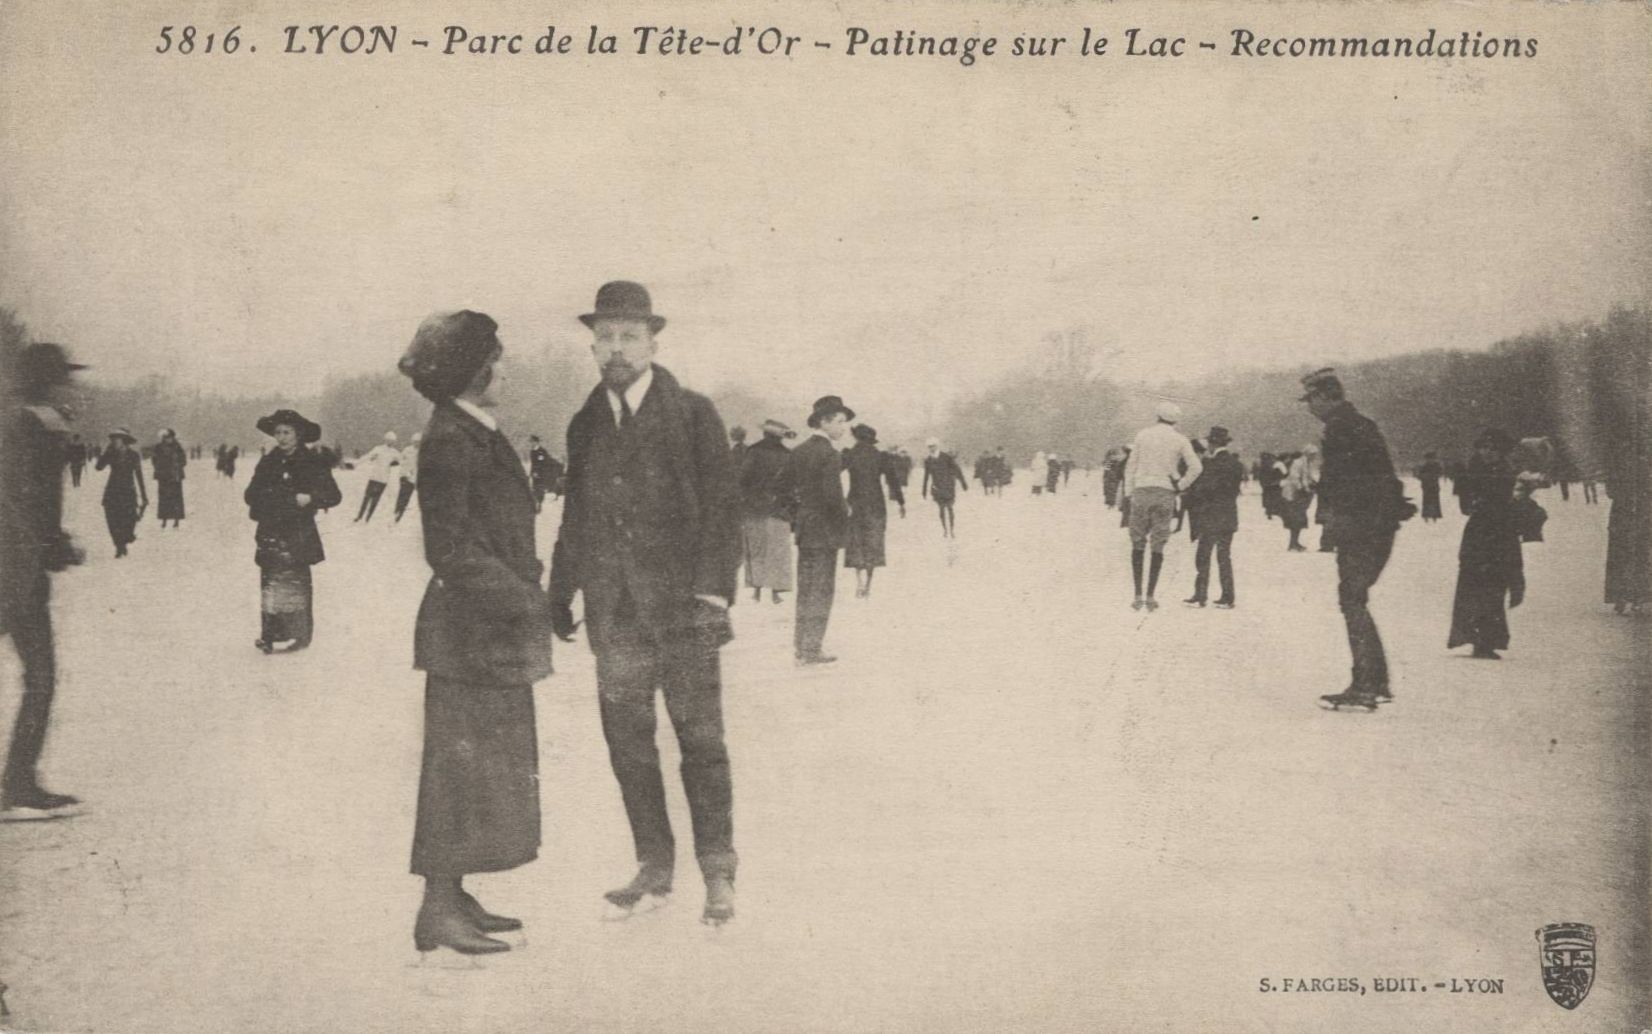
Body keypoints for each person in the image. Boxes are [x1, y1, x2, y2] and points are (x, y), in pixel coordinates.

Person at [548, 281, 741, 926]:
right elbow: (575, 514)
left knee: (701, 742)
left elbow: (722, 511)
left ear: (654, 341)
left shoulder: (692, 413)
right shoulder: (586, 422)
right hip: (615, 616)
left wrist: (713, 593)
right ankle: (654, 867)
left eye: (629, 335)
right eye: (604, 336)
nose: (615, 348)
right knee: (629, 745)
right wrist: (560, 589)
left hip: (684, 611)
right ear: (593, 345)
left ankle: (718, 871)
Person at [398, 310, 552, 956]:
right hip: (469, 636)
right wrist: (524, 600)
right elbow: (451, 550)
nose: (505, 368)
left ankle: (453, 895)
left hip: (484, 635)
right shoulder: (451, 439)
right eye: (498, 357)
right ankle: (437, 908)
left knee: (482, 769)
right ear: (474, 369)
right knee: (456, 774)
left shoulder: (471, 431)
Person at [1, 342, 88, 820]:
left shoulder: (17, 419)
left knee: (38, 675)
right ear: (50, 382)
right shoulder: (35, 423)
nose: (69, 389)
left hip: (16, 562)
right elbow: (25, 499)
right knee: (40, 676)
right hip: (15, 570)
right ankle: (17, 784)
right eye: (63, 379)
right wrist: (48, 544)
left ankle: (19, 782)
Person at [1300, 369, 1412, 711]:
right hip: (1375, 523)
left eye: (1311, 400)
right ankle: (1375, 681)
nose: (1308, 407)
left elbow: (1351, 483)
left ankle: (1366, 684)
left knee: (1352, 599)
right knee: (1354, 598)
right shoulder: (1358, 424)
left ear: (1325, 396)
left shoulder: (1342, 428)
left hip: (1363, 526)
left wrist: (1323, 494)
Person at [244, 409, 341, 653]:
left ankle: (300, 635)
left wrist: (310, 498)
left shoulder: (312, 461)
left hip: (298, 532)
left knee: (297, 582)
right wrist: (269, 497)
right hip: (271, 530)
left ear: (298, 435)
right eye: (278, 432)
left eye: (287, 432)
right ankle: (269, 635)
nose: (282, 437)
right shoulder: (268, 461)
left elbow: (333, 495)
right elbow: (250, 494)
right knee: (271, 582)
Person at [1447, 430, 1525, 659]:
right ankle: (1474, 638)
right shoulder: (1476, 471)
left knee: (1494, 586)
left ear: (1501, 452)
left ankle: (1487, 640)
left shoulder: (1508, 473)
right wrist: (1463, 485)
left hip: (1501, 533)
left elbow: (1513, 502)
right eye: (1483, 448)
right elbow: (1466, 507)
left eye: (1492, 448)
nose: (1486, 452)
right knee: (1473, 584)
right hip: (1479, 533)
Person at [791, 395, 853, 665]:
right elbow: (833, 497)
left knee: (806, 589)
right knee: (822, 590)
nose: (844, 428)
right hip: (825, 532)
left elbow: (782, 489)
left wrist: (799, 515)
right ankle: (812, 648)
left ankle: (801, 644)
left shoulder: (800, 450)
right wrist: (845, 516)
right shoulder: (829, 454)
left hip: (806, 531)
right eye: (840, 422)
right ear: (824, 422)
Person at [1122, 402, 1201, 611]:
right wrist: (1180, 485)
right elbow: (1196, 467)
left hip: (1141, 490)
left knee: (1137, 542)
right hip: (1165, 492)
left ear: (1157, 416)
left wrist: (1129, 493)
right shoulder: (1180, 439)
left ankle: (1137, 594)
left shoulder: (1142, 435)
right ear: (1176, 420)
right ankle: (1151, 595)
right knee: (1158, 544)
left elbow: (1131, 466)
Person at [1182, 426, 1242, 608]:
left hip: (1210, 515)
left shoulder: (1209, 464)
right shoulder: (1235, 464)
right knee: (1224, 557)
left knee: (1203, 556)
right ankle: (1227, 596)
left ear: (1212, 444)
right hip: (1229, 515)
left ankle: (1200, 595)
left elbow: (1204, 489)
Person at [738, 419, 796, 604]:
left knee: (756, 548)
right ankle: (775, 592)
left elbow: (743, 478)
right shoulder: (788, 454)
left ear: (765, 434)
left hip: (755, 508)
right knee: (778, 549)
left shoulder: (754, 451)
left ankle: (756, 590)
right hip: (780, 508)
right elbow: (793, 484)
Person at [845, 423, 902, 599]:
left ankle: (859, 582)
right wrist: (901, 502)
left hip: (855, 503)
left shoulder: (849, 454)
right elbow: (893, 481)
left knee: (856, 542)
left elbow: (832, 473)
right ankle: (868, 584)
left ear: (856, 437)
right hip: (876, 504)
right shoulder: (880, 456)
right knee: (873, 544)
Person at [96, 428, 147, 558]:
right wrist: (106, 453)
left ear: (124, 441)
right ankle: (119, 545)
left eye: (116, 439)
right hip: (112, 491)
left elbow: (139, 475)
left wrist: (144, 496)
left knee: (129, 520)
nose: (114, 442)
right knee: (112, 520)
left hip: (128, 491)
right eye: (113, 440)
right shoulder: (110, 454)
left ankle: (125, 539)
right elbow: (98, 467)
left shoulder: (133, 455)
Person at [922, 438, 969, 538]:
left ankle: (952, 529)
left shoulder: (946, 457)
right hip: (937, 488)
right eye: (929, 447)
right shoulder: (928, 460)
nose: (931, 448)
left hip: (948, 486)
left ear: (937, 446)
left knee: (950, 508)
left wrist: (963, 482)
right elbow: (926, 476)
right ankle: (945, 529)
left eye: (933, 446)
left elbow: (957, 470)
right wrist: (924, 490)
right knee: (941, 509)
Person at [354, 431, 400, 523]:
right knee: (366, 497)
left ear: (394, 442)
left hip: (383, 479)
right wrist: (356, 464)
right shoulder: (378, 449)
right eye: (388, 440)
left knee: (375, 499)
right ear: (385, 440)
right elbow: (367, 457)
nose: (390, 442)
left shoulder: (395, 453)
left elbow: (404, 461)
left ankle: (368, 518)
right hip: (374, 477)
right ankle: (359, 516)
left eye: (392, 441)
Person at [1281, 446, 1318, 552]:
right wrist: (1302, 488)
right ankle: (1292, 543)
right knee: (1296, 519)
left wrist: (1312, 483)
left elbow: (1308, 477)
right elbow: (1294, 477)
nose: (1314, 457)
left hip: (1300, 495)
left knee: (1300, 519)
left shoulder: (1307, 463)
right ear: (1308, 453)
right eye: (1313, 454)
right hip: (1294, 495)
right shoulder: (1298, 463)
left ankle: (1295, 542)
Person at [151, 428, 187, 528]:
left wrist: (176, 466)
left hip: (175, 477)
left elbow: (183, 460)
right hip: (163, 477)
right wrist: (160, 467)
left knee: (176, 499)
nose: (167, 439)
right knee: (163, 499)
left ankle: (176, 520)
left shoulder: (177, 447)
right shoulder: (158, 447)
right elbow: (154, 460)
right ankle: (164, 519)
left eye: (169, 437)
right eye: (165, 437)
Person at [392, 431, 421, 523]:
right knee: (402, 493)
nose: (416, 443)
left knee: (407, 496)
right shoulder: (407, 449)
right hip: (404, 475)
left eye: (418, 441)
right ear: (412, 441)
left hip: (413, 477)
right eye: (415, 441)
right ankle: (396, 511)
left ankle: (400, 513)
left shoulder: (422, 452)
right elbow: (400, 458)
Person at [1416, 451, 1444, 522]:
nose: (1430, 460)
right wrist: (1425, 477)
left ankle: (1435, 515)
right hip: (1426, 486)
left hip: (1434, 485)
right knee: (1426, 501)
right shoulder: (1424, 467)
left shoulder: (1437, 466)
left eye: (1432, 459)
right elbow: (1419, 475)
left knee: (1435, 501)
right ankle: (1426, 515)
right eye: (1429, 459)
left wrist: (1434, 476)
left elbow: (1440, 473)